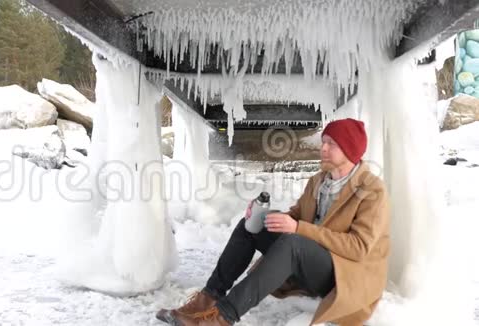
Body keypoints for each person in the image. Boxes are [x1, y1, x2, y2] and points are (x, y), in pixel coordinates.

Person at [156, 118, 390, 326]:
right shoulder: (319, 181)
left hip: (343, 275)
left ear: (350, 149)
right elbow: (297, 215)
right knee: (254, 224)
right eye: (324, 141)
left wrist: (299, 229)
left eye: (332, 144)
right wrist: (265, 214)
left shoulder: (371, 190)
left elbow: (358, 248)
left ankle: (221, 319)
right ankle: (206, 299)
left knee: (293, 244)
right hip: (309, 258)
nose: (324, 148)